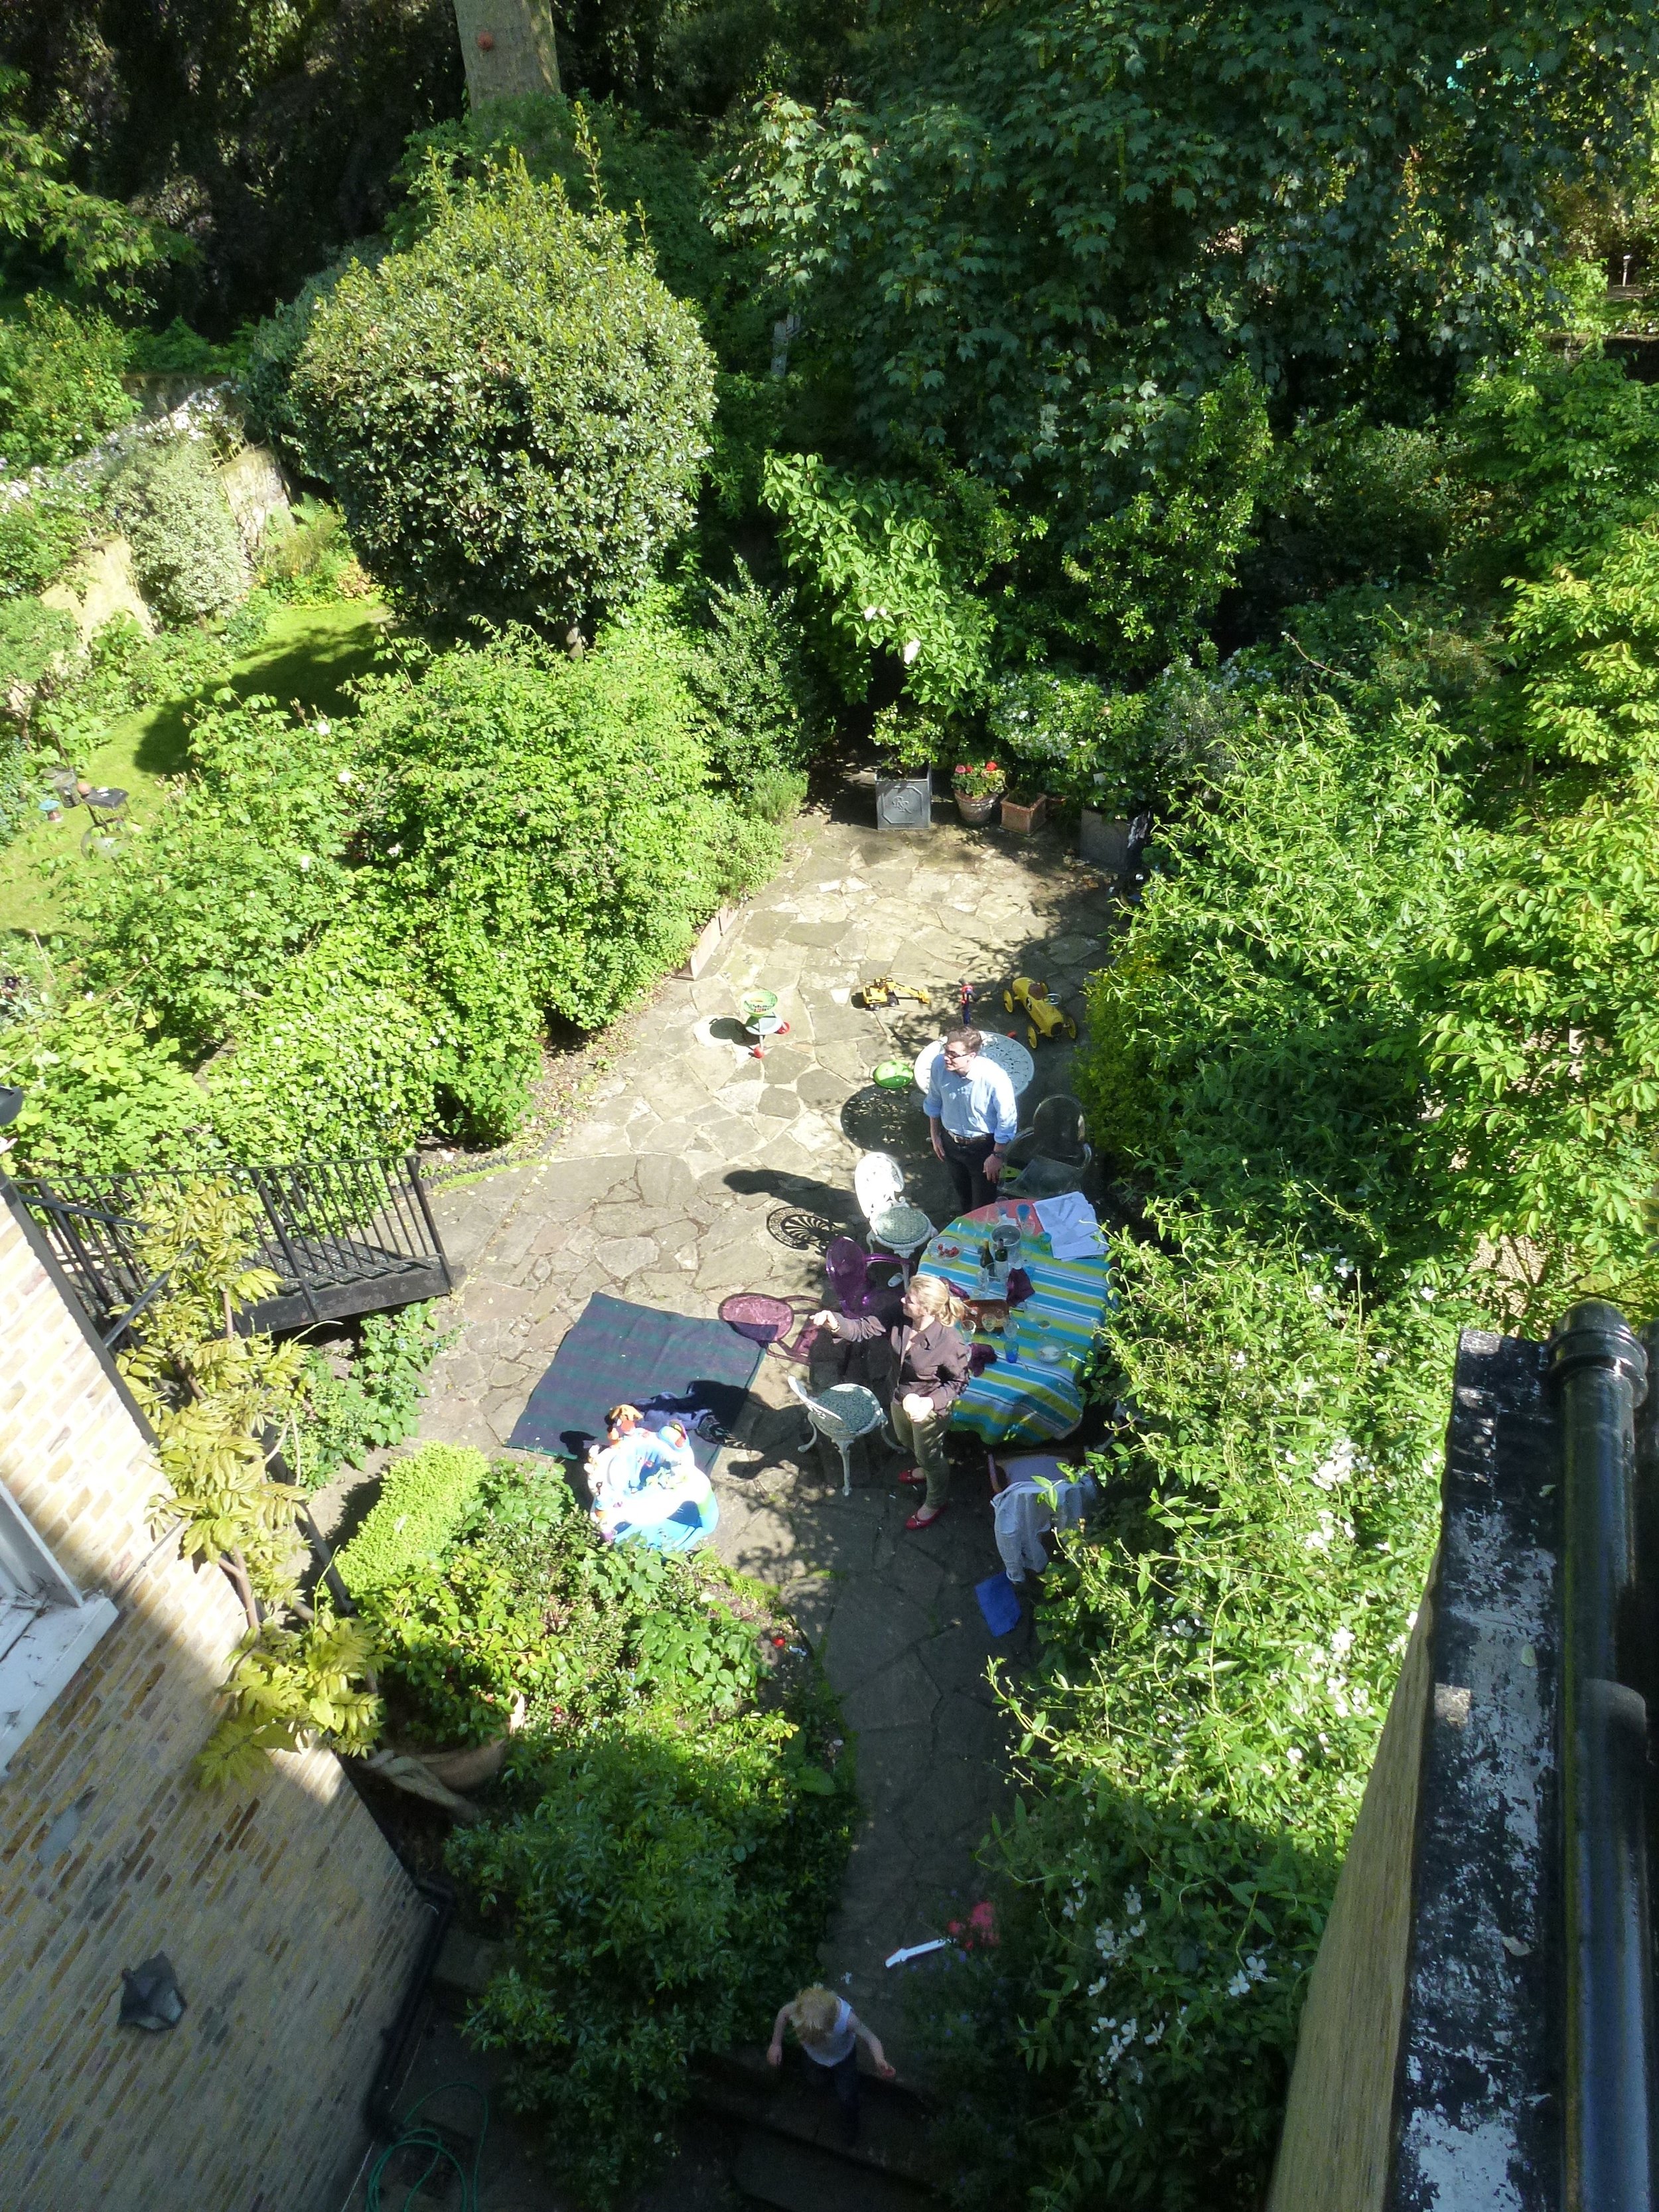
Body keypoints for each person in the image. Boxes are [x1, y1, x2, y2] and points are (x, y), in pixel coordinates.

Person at [811, 1274, 972, 1528]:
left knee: (931, 1457)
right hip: (898, 1395)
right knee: (906, 1440)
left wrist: (928, 1404)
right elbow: (863, 1328)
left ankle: (935, 1500)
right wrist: (834, 1323)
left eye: (911, 1299)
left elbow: (959, 1382)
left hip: (929, 1410)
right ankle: (923, 1466)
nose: (902, 1299)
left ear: (928, 1310)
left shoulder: (949, 1342)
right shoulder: (900, 1312)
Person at [766, 1984, 895, 2142]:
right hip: (815, 2057)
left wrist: (879, 2059)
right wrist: (776, 2044)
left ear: (830, 2029)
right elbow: (782, 2015)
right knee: (814, 2078)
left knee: (847, 2095)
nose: (806, 2041)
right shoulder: (799, 2010)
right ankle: (824, 2084)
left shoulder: (848, 2020)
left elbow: (871, 2038)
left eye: (814, 2040)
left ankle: (851, 2124)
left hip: (843, 2058)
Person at [926, 1027, 1018, 1215]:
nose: (946, 1058)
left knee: (982, 1205)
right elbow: (934, 1101)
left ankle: (983, 1238)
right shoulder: (938, 1066)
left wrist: (997, 1156)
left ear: (971, 1056)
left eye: (953, 1054)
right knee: (963, 1196)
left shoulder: (995, 1078)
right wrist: (935, 1136)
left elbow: (1007, 1121)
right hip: (951, 1143)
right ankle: (967, 1234)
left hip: (983, 1149)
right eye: (946, 1051)